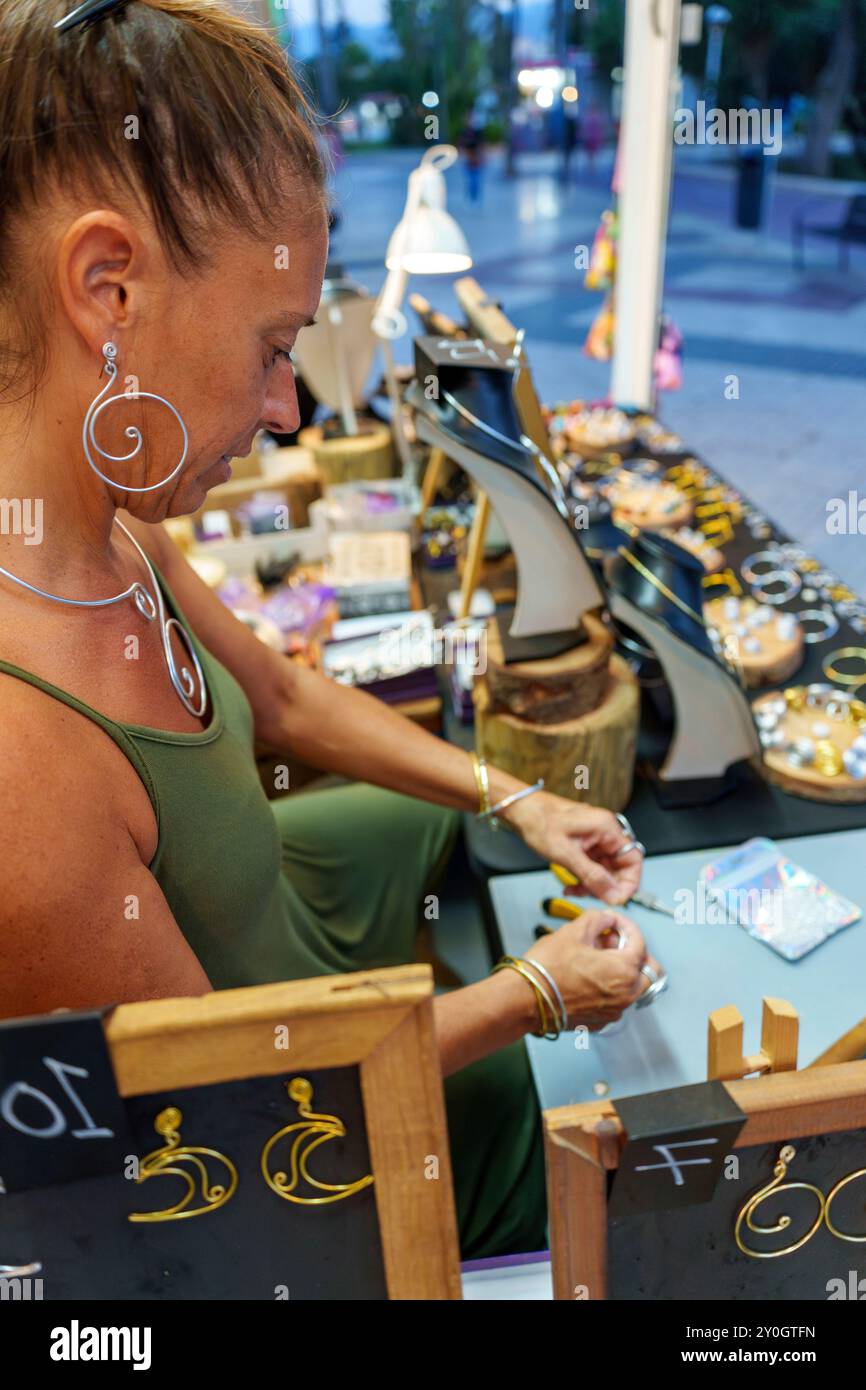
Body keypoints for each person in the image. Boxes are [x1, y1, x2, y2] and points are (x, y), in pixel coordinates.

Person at [0, 0, 660, 1259]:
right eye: (272, 345)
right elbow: (232, 1108)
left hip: (296, 968)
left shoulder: (105, 525)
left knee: (442, 827)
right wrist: (530, 998)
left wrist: (509, 797)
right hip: (305, 1142)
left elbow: (287, 704)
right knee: (613, 1157)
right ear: (106, 286)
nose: (286, 405)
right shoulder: (19, 769)